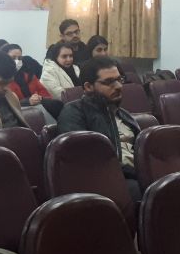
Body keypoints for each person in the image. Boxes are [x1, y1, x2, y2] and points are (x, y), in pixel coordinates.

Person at [56, 57, 141, 196]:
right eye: (109, 82)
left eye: (119, 79)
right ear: (88, 87)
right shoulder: (74, 112)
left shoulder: (125, 115)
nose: (118, 86)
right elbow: (89, 160)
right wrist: (140, 173)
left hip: (138, 176)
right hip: (104, 182)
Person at [1, 44, 62, 117]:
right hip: (16, 115)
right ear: (4, 59)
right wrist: (27, 102)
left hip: (38, 110)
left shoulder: (29, 76)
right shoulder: (1, 81)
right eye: (13, 58)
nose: (17, 61)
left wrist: (39, 98)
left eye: (19, 58)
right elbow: (4, 105)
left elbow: (46, 95)